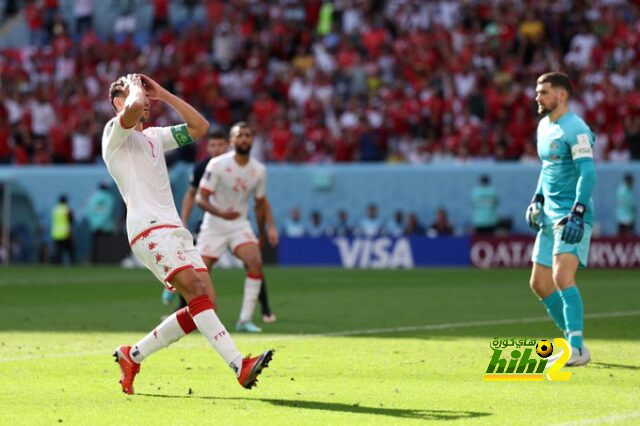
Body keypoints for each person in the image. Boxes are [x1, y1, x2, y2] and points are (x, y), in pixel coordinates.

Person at [102, 73, 273, 395]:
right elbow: (135, 105)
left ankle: (132, 355)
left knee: (207, 302)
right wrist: (137, 90)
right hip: (148, 228)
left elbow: (200, 128)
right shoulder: (115, 133)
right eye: (134, 94)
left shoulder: (154, 137)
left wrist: (162, 93)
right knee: (195, 291)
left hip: (174, 229)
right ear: (117, 104)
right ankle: (239, 365)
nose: (145, 101)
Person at [526, 72, 596, 367]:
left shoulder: (576, 128)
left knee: (562, 277)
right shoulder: (543, 127)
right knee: (540, 283)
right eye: (537, 91)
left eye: (543, 92)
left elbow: (588, 173)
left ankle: (577, 349)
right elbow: (546, 169)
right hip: (549, 214)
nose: (537, 97)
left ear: (562, 95)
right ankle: (572, 341)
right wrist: (537, 198)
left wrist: (578, 212)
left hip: (571, 215)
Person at [179, 128, 276, 323]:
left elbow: (261, 202)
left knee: (255, 260)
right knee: (198, 272)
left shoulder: (257, 169)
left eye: (220, 144)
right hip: (212, 223)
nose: (216, 148)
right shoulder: (206, 167)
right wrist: (183, 221)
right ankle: (183, 310)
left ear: (227, 144)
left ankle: (255, 314)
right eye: (213, 145)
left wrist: (268, 228)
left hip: (239, 223)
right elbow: (194, 196)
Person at [86, 182, 115, 263]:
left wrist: (95, 224)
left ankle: (94, 261)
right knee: (107, 246)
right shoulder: (109, 197)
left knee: (95, 246)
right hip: (106, 227)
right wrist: (102, 223)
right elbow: (109, 212)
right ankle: (107, 261)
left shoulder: (93, 198)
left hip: (94, 226)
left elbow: (89, 212)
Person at [50, 194, 75, 264]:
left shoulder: (55, 209)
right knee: (70, 250)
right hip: (65, 232)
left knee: (58, 251)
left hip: (56, 233)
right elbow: (71, 220)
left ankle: (57, 263)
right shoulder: (67, 209)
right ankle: (72, 264)